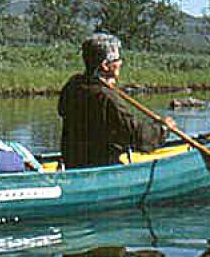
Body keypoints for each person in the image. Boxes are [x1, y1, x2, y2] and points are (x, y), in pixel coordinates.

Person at [57, 32, 178, 169]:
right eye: (118, 59)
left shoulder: (73, 85)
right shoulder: (106, 97)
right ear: (105, 65)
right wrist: (162, 129)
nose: (121, 63)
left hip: (73, 163)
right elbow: (136, 136)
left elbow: (62, 110)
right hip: (100, 166)